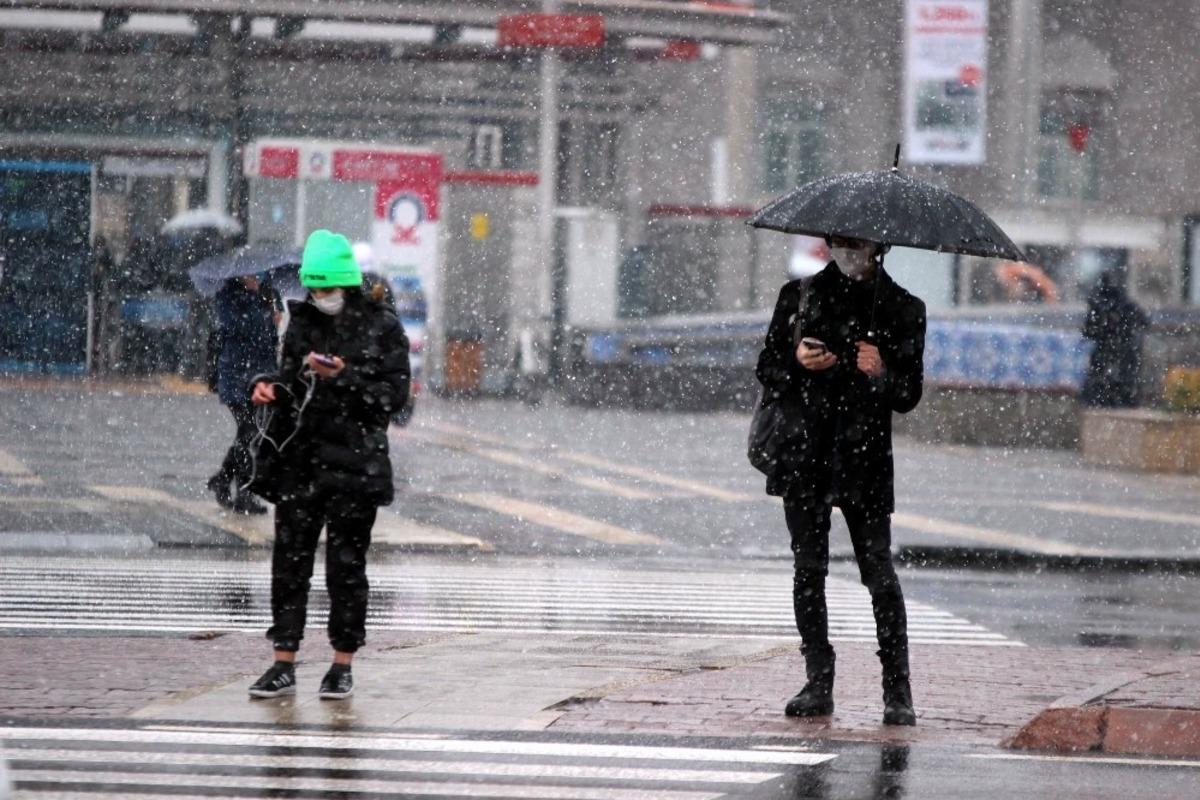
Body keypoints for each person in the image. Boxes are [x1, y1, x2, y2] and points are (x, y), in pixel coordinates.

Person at [755, 235, 926, 726]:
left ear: (881, 247)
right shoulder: (800, 296)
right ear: (829, 242)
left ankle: (898, 689)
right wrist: (796, 362)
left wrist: (880, 371)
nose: (852, 251)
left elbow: (908, 394)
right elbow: (767, 367)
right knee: (809, 570)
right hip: (805, 455)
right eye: (843, 241)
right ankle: (818, 680)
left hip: (866, 459)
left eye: (862, 243)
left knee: (879, 573)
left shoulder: (902, 308)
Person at [247, 229, 410, 701]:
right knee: (289, 564)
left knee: (347, 568)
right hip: (301, 462)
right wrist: (271, 386)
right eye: (314, 290)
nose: (321, 298)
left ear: (347, 283)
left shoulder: (382, 326)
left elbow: (393, 399)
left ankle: (342, 664)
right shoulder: (302, 323)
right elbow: (291, 380)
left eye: (328, 289)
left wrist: (345, 377)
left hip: (357, 466)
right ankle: (283, 660)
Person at [207, 274, 277, 514]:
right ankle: (244, 491)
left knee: (252, 432)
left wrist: (273, 318)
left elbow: (269, 340)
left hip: (261, 374)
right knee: (250, 432)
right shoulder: (229, 296)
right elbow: (238, 326)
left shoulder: (268, 294)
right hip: (237, 374)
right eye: (249, 275)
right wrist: (262, 311)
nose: (254, 278)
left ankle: (224, 479)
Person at [1080, 269, 1148, 408]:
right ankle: (1118, 398)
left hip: (1116, 347)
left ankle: (1111, 398)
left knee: (1113, 376)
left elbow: (1089, 330)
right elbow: (1144, 322)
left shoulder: (1102, 303)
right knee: (1116, 377)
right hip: (1116, 347)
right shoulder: (1122, 303)